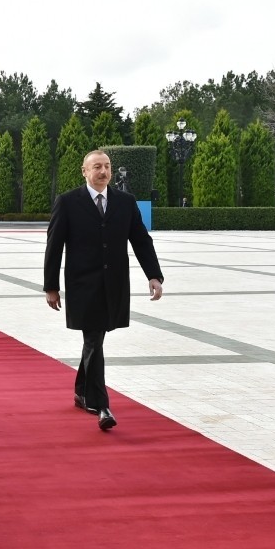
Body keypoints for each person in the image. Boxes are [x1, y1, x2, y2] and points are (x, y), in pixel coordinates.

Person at [44, 150, 164, 431]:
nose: (103, 171)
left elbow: (141, 240)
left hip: (114, 285)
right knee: (94, 338)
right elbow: (54, 246)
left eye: (107, 166)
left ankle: (81, 390)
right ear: (84, 171)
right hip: (82, 285)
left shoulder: (125, 202)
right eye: (97, 166)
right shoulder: (68, 202)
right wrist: (51, 287)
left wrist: (154, 276)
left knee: (95, 339)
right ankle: (102, 405)